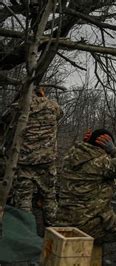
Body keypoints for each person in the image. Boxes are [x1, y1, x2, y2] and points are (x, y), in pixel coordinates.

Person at [55, 129, 116, 243]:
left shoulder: (69, 158)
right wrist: (113, 150)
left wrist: (87, 143)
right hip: (88, 227)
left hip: (63, 221)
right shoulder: (101, 164)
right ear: (105, 146)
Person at [3, 87, 63, 226]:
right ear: (41, 92)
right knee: (49, 197)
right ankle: (54, 233)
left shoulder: (18, 107)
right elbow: (60, 114)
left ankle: (28, 234)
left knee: (24, 200)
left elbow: (5, 119)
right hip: (46, 160)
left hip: (24, 161)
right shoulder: (53, 105)